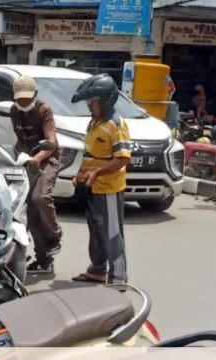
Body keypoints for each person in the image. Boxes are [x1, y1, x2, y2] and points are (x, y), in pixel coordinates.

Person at [70, 73, 132, 285]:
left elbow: (122, 159)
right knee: (96, 232)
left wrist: (96, 173)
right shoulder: (94, 123)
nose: (89, 106)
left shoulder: (116, 125)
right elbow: (90, 153)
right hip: (91, 188)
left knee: (112, 234)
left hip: (108, 189)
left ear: (106, 100)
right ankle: (97, 270)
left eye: (93, 101)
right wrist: (81, 173)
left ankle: (118, 278)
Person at [9, 75, 63, 275]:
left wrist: (39, 157)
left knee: (40, 197)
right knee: (27, 209)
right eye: (20, 99)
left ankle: (55, 236)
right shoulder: (15, 111)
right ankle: (44, 259)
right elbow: (20, 140)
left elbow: (52, 140)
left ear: (35, 95)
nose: (23, 103)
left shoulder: (44, 110)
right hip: (27, 160)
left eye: (27, 98)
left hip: (48, 158)